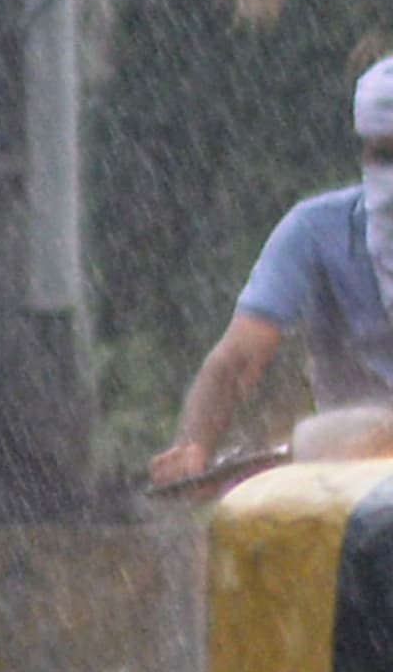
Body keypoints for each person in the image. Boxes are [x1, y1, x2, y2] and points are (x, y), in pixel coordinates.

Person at [150, 56, 393, 490]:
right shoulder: (316, 231)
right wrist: (195, 445)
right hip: (349, 473)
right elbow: (240, 356)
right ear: (364, 155)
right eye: (386, 156)